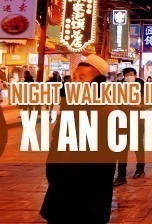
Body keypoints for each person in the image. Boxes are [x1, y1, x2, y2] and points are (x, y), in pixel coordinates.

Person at [41, 54, 117, 223]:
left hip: (87, 185)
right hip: (63, 182)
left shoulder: (106, 107)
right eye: (74, 77)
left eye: (82, 78)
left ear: (98, 82)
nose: (75, 81)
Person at [113, 68, 146, 187]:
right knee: (122, 149)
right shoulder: (119, 86)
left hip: (137, 120)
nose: (128, 76)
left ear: (135, 75)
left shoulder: (141, 85)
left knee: (138, 146)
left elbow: (148, 102)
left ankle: (140, 169)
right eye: (126, 75)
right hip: (122, 120)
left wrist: (138, 106)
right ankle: (121, 176)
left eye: (130, 74)